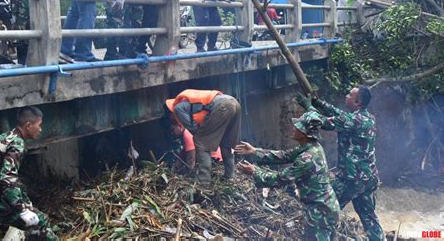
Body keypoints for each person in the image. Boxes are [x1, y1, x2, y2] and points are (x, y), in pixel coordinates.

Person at [235, 110, 340, 240]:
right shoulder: (312, 147)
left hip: (320, 213)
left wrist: (255, 171)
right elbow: (284, 155)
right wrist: (255, 151)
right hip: (325, 208)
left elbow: (281, 179)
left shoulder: (307, 158)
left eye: (297, 127)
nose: (293, 128)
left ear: (304, 133)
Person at [296, 86, 385, 240]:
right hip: (368, 179)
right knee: (368, 216)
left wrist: (309, 107)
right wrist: (319, 103)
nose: (346, 95)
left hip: (351, 180)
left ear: (357, 102)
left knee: (326, 211)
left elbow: (321, 122)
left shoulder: (353, 120)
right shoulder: (368, 118)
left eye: (350, 94)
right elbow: (339, 114)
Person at [0, 106, 58, 240]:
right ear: (28, 125)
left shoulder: (6, 137)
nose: (41, 129)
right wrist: (22, 209)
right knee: (40, 222)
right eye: (39, 125)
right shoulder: (17, 144)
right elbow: (7, 178)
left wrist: (25, 201)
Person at [165, 89, 241, 183]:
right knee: (226, 143)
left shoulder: (177, 108)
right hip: (233, 102)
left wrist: (201, 137)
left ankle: (204, 179)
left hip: (221, 106)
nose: (171, 119)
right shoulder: (189, 105)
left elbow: (195, 131)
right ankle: (230, 176)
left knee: (199, 140)